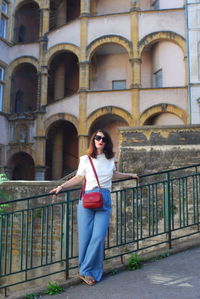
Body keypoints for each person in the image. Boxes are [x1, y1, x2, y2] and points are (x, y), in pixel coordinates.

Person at [50, 129, 139, 286]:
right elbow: (78, 177)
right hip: (87, 200)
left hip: (104, 199)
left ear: (107, 142)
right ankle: (87, 272)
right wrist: (61, 187)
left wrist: (130, 175)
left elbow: (114, 174)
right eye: (98, 137)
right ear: (93, 140)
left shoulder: (111, 159)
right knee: (85, 238)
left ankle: (86, 270)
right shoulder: (85, 159)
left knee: (98, 237)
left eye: (104, 139)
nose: (100, 140)